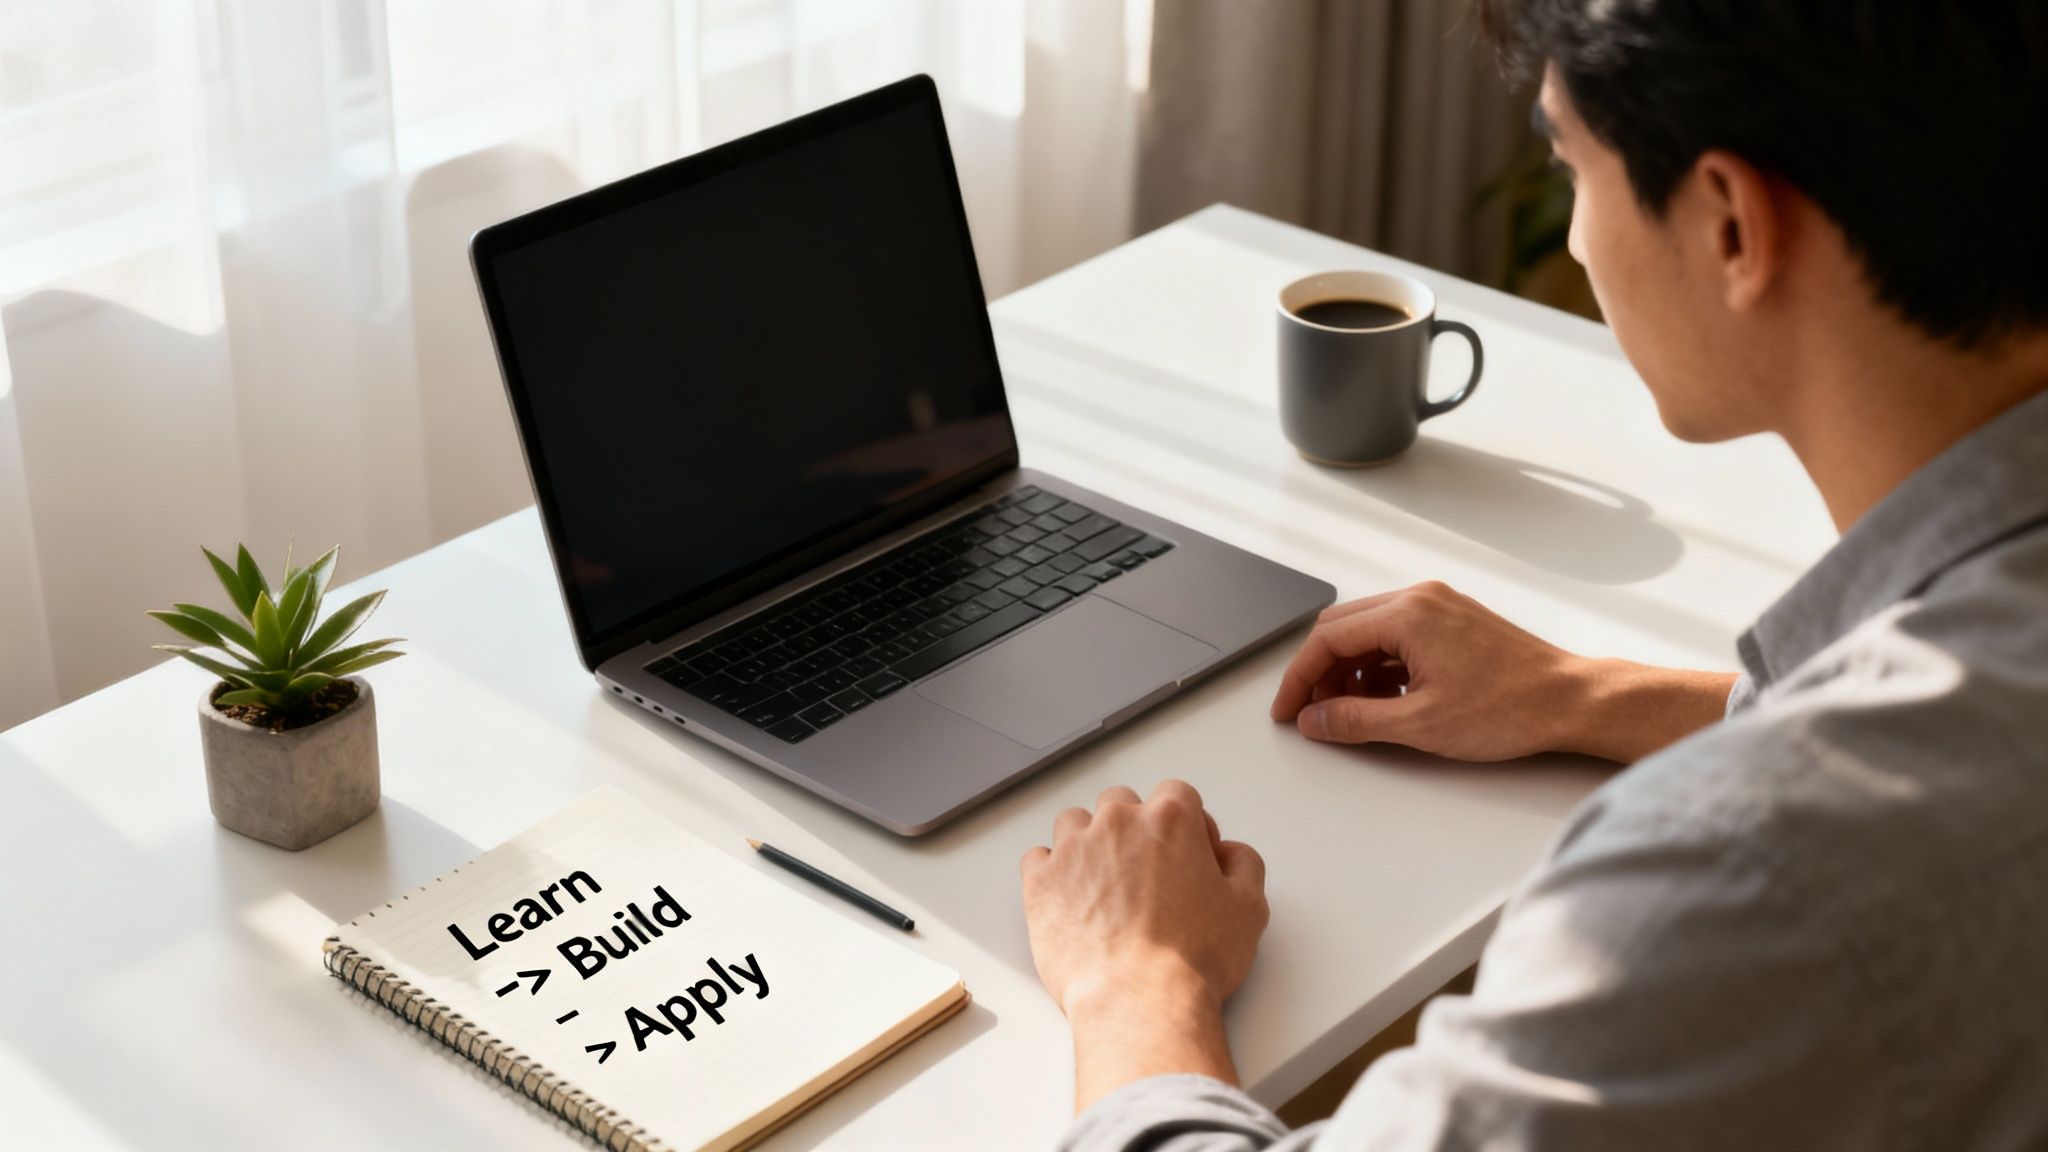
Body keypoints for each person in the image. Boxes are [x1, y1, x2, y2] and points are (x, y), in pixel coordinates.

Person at [1018, 1, 2048, 1148]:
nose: (1570, 241)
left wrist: (1132, 977)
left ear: (1728, 224)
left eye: (1569, 165)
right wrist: (1580, 692)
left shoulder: (1737, 879)